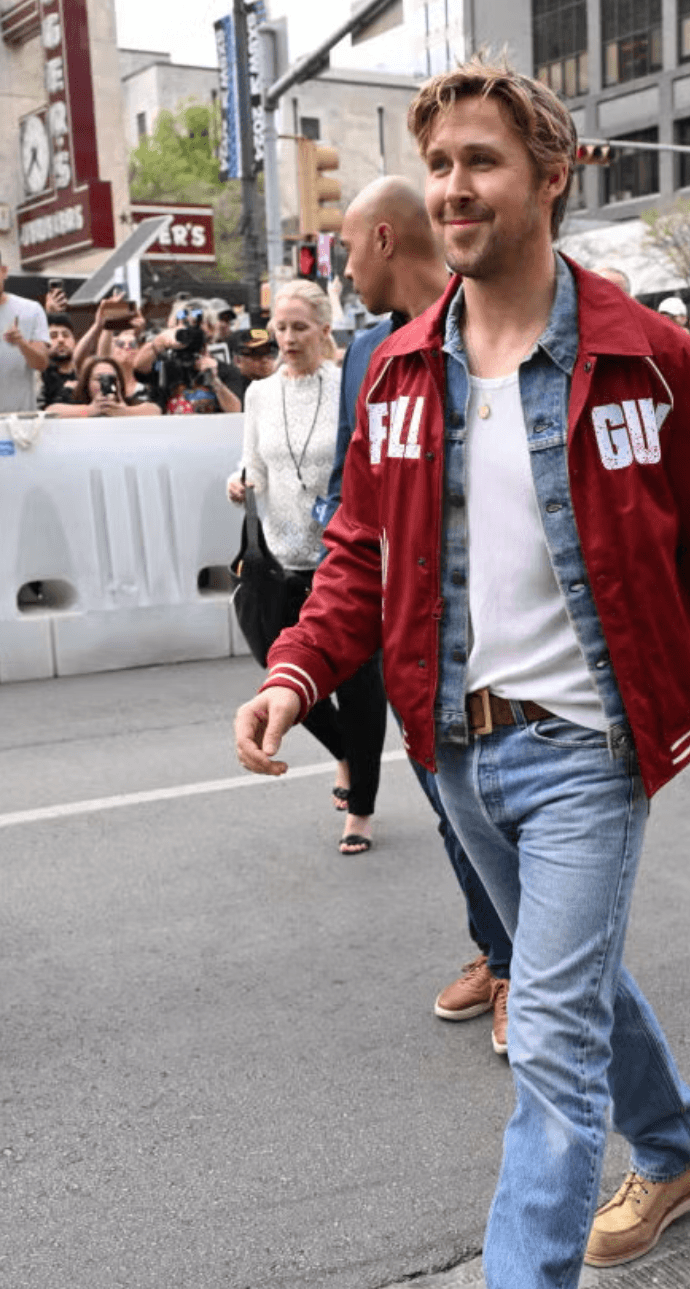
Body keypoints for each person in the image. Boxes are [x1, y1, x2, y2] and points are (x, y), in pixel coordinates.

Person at [233, 59, 690, 1289]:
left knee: (547, 1041)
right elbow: (365, 555)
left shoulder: (647, 359)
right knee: (578, 980)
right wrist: (299, 672)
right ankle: (678, 1148)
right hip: (451, 746)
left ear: (551, 174)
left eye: (482, 162)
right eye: (439, 166)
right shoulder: (402, 369)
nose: (455, 189)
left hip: (587, 752)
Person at [331, 173, 514, 1046]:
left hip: (499, 631)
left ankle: (524, 971)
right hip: (408, 629)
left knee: (501, 812)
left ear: (384, 240)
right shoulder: (368, 355)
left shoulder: (487, 315)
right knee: (450, 812)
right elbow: (352, 492)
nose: (341, 263)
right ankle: (497, 947)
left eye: (345, 244)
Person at [228, 278, 386, 855]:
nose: (287, 338)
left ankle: (362, 809)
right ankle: (344, 752)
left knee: (362, 688)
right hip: (275, 557)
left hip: (340, 558)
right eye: (280, 326)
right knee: (282, 671)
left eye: (299, 327)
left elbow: (364, 464)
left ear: (324, 330)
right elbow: (257, 464)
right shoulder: (259, 395)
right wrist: (240, 480)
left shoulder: (349, 386)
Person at [135, 300, 243, 413]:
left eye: (196, 324)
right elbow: (139, 368)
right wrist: (159, 342)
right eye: (182, 323)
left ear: (211, 329)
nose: (188, 329)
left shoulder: (224, 371)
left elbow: (237, 411)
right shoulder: (162, 366)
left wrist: (215, 382)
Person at [0, 256, 48, 413]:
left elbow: (41, 364)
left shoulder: (30, 310)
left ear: (4, 271)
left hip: (20, 421)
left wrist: (21, 343)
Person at [45, 355, 161, 417]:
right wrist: (90, 410)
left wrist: (125, 412)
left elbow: (155, 410)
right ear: (87, 382)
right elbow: (52, 411)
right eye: (99, 379)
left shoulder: (127, 404)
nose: (106, 383)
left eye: (112, 379)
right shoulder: (76, 402)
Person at [39, 313, 78, 407]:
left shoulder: (85, 373)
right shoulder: (38, 377)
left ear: (75, 341)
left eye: (66, 335)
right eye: (53, 336)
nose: (61, 340)